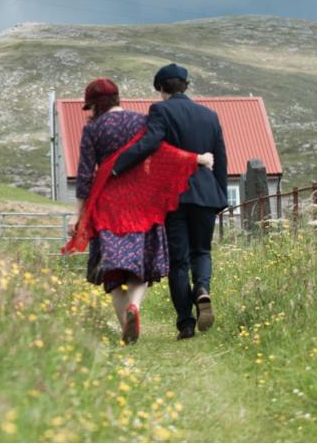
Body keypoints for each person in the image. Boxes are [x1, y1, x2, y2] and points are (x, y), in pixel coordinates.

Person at [71, 78, 212, 344]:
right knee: (139, 268)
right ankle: (135, 306)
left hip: (107, 205)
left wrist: (78, 214)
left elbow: (84, 176)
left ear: (95, 106)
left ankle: (126, 324)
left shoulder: (92, 131)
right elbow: (161, 151)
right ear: (117, 99)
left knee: (113, 272)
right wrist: (196, 159)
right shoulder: (140, 122)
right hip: (141, 205)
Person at [110, 63, 228, 340]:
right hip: (207, 193)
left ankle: (185, 324)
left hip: (175, 196)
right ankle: (202, 289)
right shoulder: (210, 116)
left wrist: (117, 165)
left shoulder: (160, 110)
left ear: (161, 89)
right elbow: (220, 159)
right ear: (186, 86)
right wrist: (220, 195)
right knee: (202, 252)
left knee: (179, 261)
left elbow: (150, 144)